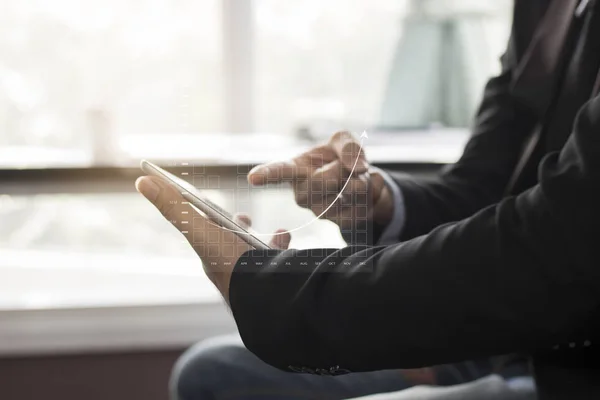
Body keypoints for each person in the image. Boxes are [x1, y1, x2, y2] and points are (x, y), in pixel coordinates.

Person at [136, 0, 600, 398]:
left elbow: (557, 247)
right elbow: (485, 187)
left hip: (569, 360)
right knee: (211, 373)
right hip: (506, 337)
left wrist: (291, 297)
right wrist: (375, 199)